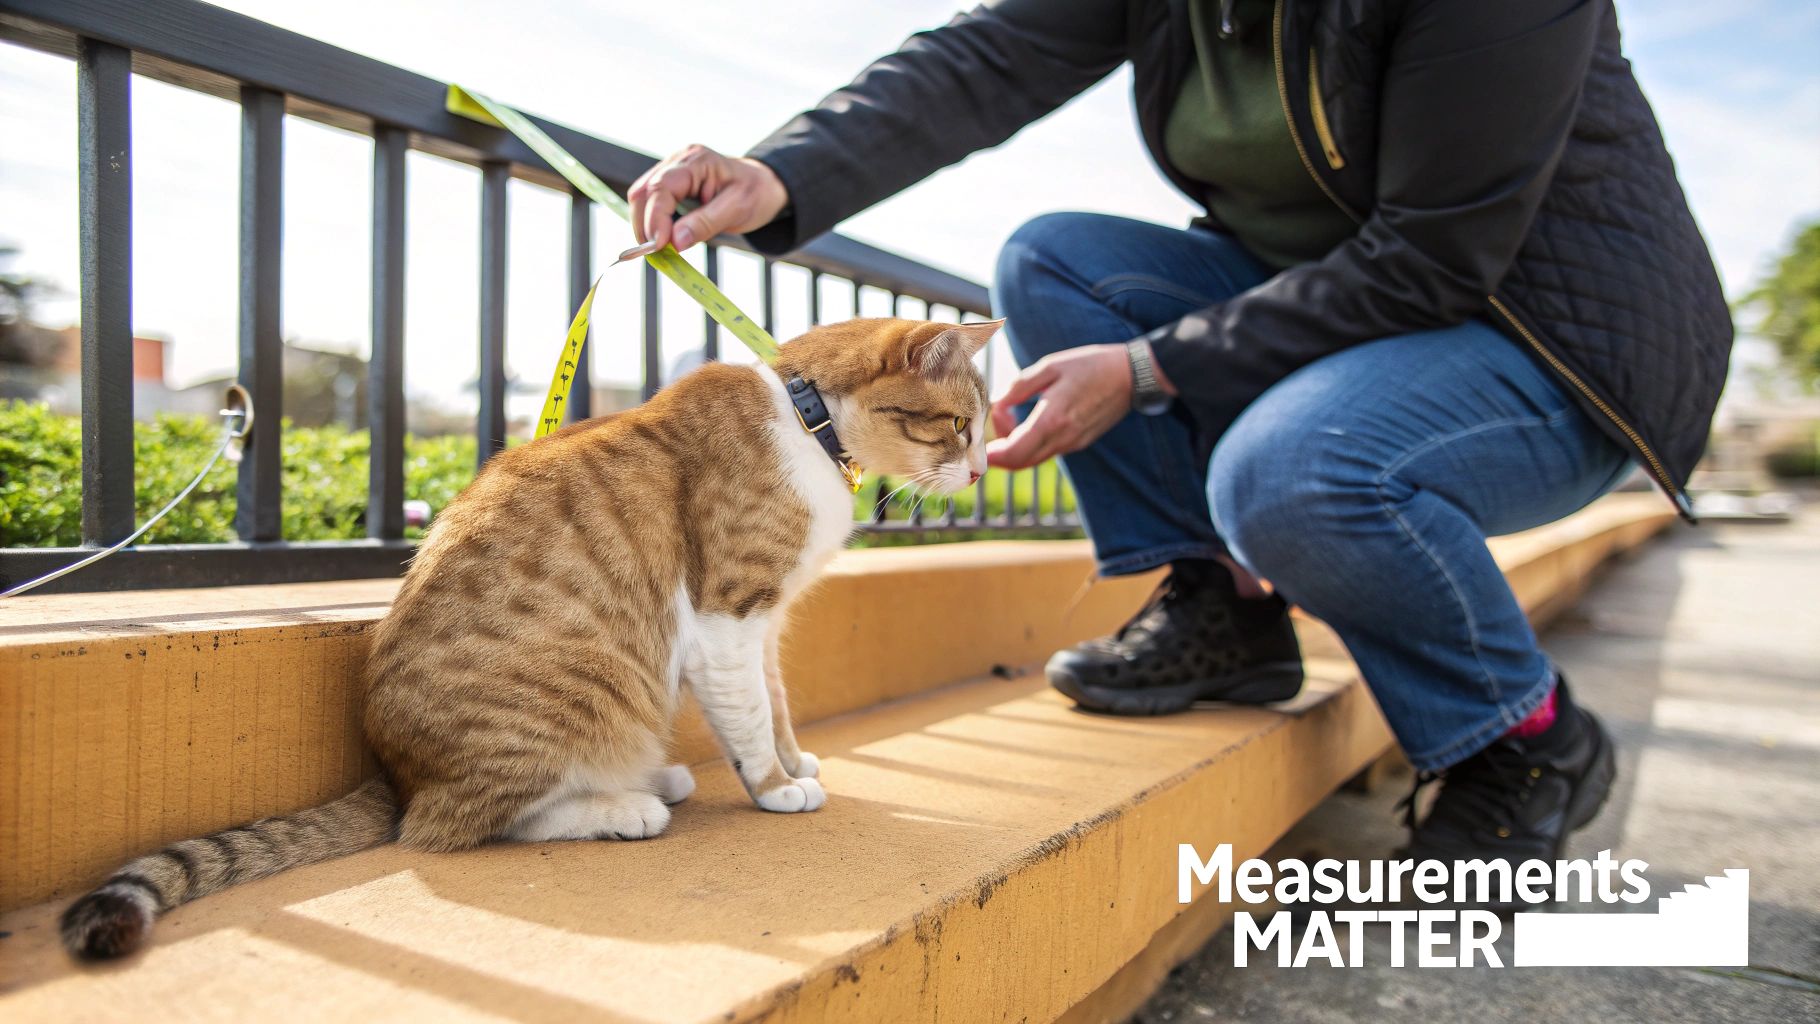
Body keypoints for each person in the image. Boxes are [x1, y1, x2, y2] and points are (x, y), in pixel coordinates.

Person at [626, 0, 1730, 877]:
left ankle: (1522, 735)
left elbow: (1435, 256)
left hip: (1543, 341)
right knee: (1054, 260)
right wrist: (785, 171)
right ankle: (1224, 615)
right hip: (1347, 308)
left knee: (1292, 476)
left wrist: (1149, 370)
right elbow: (982, 58)